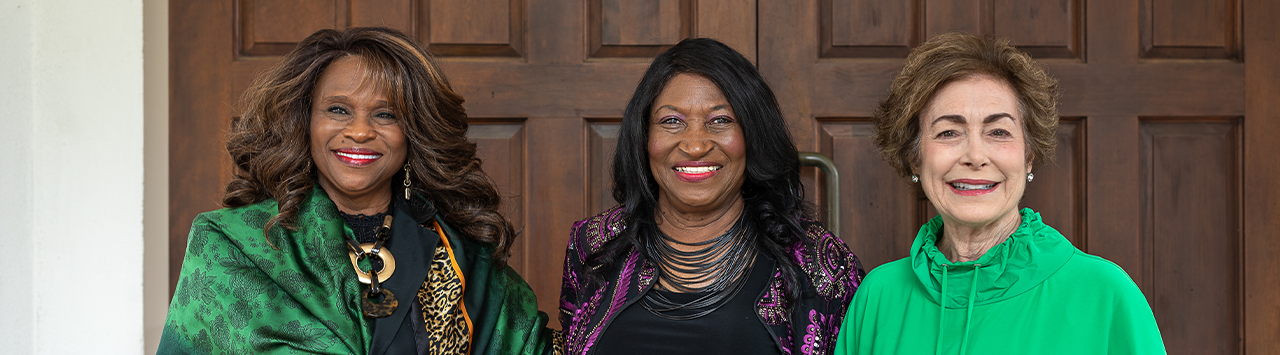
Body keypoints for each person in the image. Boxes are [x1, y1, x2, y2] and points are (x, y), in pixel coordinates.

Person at [159, 27, 563, 355]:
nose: (359, 132)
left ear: (413, 133)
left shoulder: (464, 257)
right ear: (304, 123)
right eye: (338, 109)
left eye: (386, 114)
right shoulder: (233, 245)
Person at [833, 33, 1166, 354]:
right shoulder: (878, 296)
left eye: (998, 131)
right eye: (949, 132)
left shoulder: (1105, 294)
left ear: (1028, 155)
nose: (975, 156)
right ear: (915, 158)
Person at [558, 38, 866, 355]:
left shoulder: (817, 260)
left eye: (720, 120)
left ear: (752, 135)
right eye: (671, 121)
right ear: (644, 136)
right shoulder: (594, 245)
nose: (695, 146)